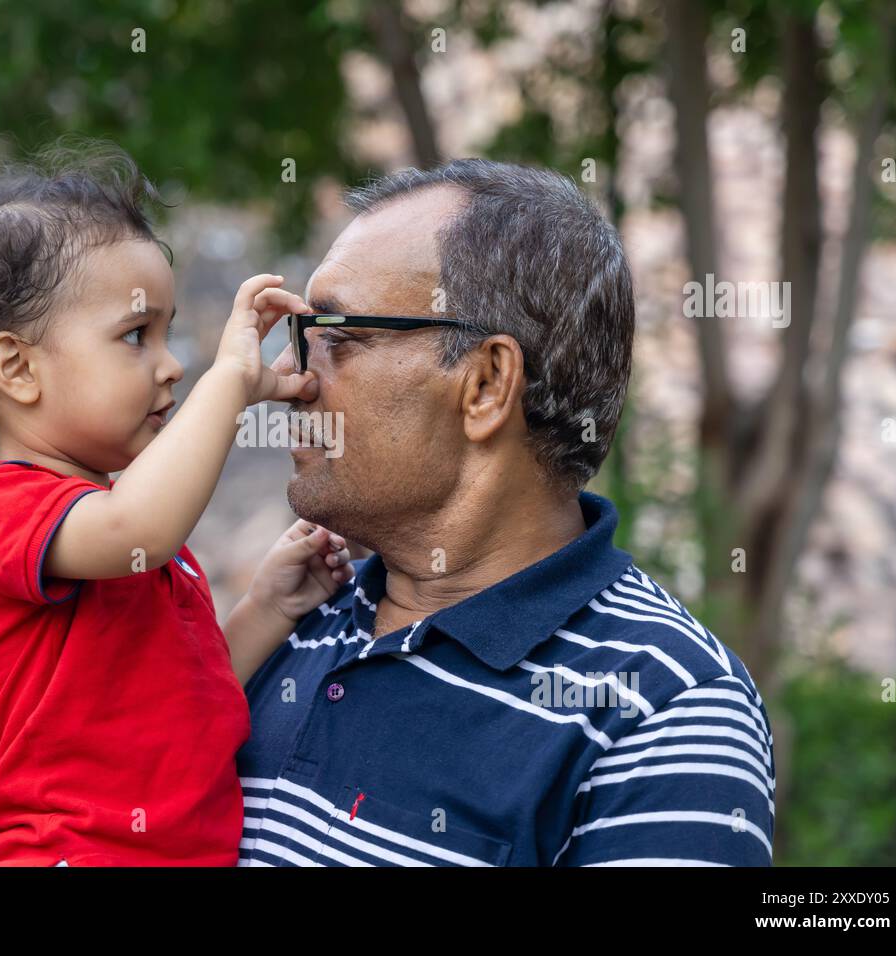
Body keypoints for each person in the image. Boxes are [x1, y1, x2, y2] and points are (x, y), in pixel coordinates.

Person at [237, 160, 776, 867]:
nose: (292, 378)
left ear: (487, 384)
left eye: (336, 335)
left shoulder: (666, 712)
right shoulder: (293, 610)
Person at [0, 140, 351, 866]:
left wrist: (270, 607)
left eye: (168, 331)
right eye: (136, 336)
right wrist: (228, 383)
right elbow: (143, 527)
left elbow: (189, 696)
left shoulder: (116, 526)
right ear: (17, 368)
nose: (173, 363)